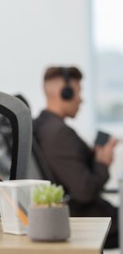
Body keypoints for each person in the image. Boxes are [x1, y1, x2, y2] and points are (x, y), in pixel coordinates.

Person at [33, 66, 119, 249]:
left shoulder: (45, 126)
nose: (81, 99)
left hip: (80, 215)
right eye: (78, 93)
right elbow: (85, 191)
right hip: (87, 219)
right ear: (64, 93)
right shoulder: (59, 134)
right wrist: (102, 163)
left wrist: (93, 158)